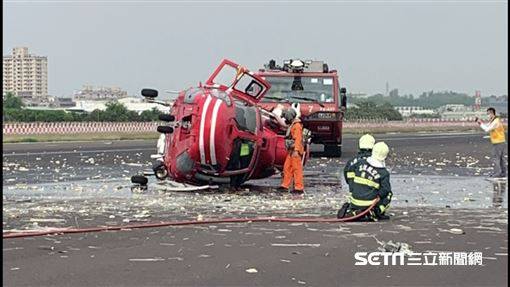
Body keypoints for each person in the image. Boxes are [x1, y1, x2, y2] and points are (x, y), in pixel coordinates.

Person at [337, 142, 393, 221]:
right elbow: (386, 190)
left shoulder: (360, 163)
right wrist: (378, 195)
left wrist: (353, 187)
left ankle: (351, 209)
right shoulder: (383, 173)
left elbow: (349, 171)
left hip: (354, 202)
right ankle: (377, 211)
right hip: (369, 205)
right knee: (389, 194)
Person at [278, 104, 305, 193]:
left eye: (285, 117)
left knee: (297, 169)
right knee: (287, 168)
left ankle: (299, 188)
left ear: (289, 117)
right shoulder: (293, 125)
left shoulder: (296, 126)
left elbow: (298, 139)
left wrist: (296, 151)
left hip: (295, 151)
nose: (285, 120)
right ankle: (285, 185)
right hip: (291, 151)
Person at [476, 107, 507, 178]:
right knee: (501, 158)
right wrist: (480, 122)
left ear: (491, 113)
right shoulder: (494, 120)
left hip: (498, 142)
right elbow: (486, 126)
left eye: (488, 114)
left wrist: (480, 123)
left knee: (496, 158)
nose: (488, 115)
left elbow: (487, 129)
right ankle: (503, 173)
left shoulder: (495, 121)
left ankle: (497, 173)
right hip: (501, 141)